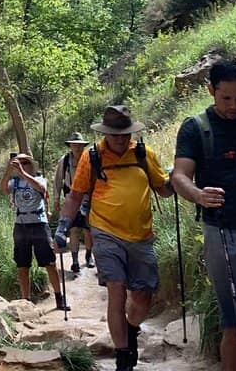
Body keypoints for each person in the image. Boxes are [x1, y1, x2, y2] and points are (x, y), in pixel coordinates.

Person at [55, 105, 172, 371]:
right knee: (116, 291)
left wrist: (175, 181)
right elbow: (75, 195)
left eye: (124, 134)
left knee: (142, 298)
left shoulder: (144, 153)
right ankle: (123, 357)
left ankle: (131, 330)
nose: (120, 139)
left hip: (141, 236)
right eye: (114, 135)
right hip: (105, 232)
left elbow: (162, 189)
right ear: (106, 133)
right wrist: (62, 228)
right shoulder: (92, 156)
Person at [171, 57, 236, 371]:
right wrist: (199, 194)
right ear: (211, 90)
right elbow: (179, 175)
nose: (234, 105)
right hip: (223, 234)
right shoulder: (196, 128)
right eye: (226, 98)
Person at [2, 152, 70, 311]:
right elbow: (3, 188)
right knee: (22, 264)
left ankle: (59, 299)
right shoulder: (14, 182)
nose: (22, 165)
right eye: (19, 163)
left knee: (49, 263)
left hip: (39, 224)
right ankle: (25, 300)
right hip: (21, 225)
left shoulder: (39, 179)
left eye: (25, 162)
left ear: (31, 165)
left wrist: (23, 173)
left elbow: (41, 188)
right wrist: (8, 170)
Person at [52, 132, 93, 274]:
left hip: (89, 197)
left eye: (79, 145)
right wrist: (56, 199)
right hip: (72, 197)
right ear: (70, 145)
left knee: (89, 229)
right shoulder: (64, 161)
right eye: (74, 144)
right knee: (74, 229)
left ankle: (89, 256)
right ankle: (75, 261)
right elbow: (57, 181)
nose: (77, 147)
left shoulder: (90, 159)